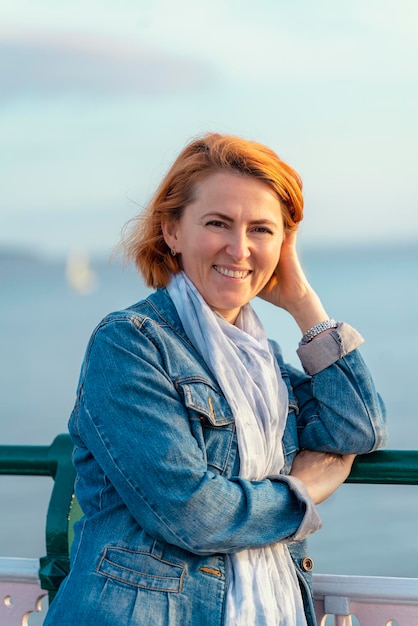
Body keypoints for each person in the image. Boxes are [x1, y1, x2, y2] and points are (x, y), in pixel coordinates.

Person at [44, 132, 386, 626]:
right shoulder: (131, 344)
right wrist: (300, 491)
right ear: (172, 231)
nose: (239, 248)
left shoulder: (260, 365)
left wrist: (303, 302)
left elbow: (358, 429)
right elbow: (192, 513)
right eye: (218, 223)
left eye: (262, 230)